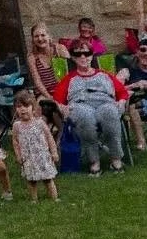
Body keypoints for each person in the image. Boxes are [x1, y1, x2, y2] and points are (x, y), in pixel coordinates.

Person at [51, 42, 127, 175]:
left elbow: (122, 92)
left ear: (91, 56)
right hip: (80, 105)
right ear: (73, 58)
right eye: (77, 54)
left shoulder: (104, 75)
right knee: (85, 117)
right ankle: (94, 161)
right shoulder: (69, 79)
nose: (83, 57)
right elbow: (57, 98)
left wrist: (121, 101)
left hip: (105, 103)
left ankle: (116, 158)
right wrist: (61, 106)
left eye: (86, 53)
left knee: (110, 113)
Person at [116, 36, 147, 151]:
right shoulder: (127, 71)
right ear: (137, 53)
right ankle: (141, 142)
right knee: (132, 105)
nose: (146, 53)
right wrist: (134, 85)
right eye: (143, 50)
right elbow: (114, 89)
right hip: (140, 107)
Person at [8, 88, 59, 202]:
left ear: (33, 107)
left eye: (26, 106)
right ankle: (34, 199)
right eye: (19, 106)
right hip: (28, 158)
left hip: (42, 157)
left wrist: (54, 152)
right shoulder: (17, 126)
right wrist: (18, 155)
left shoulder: (40, 122)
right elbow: (15, 141)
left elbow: (49, 138)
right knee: (31, 181)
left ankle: (54, 198)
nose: (23, 109)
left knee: (48, 179)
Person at [25, 23, 63, 125]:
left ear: (49, 36)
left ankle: (61, 136)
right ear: (33, 39)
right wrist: (50, 96)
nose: (40, 39)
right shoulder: (32, 57)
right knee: (41, 112)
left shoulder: (59, 49)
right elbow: (37, 81)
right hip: (44, 93)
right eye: (36, 36)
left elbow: (68, 72)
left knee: (60, 112)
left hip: (62, 90)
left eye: (43, 35)